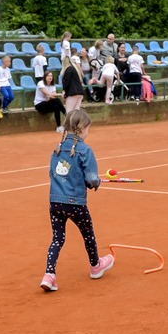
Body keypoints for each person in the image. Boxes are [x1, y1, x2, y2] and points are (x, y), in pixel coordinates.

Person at [40, 110, 115, 292]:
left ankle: (49, 275)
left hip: (56, 203)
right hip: (76, 203)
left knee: (57, 239)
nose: (89, 132)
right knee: (88, 234)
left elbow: (54, 174)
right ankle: (96, 266)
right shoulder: (85, 150)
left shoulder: (57, 149)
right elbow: (90, 179)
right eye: (88, 128)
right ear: (82, 129)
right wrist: (96, 182)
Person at [59, 54, 86, 129]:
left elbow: (66, 82)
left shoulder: (68, 69)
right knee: (76, 111)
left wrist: (64, 91)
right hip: (80, 92)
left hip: (73, 93)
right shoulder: (75, 69)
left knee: (69, 111)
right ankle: (77, 127)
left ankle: (68, 128)